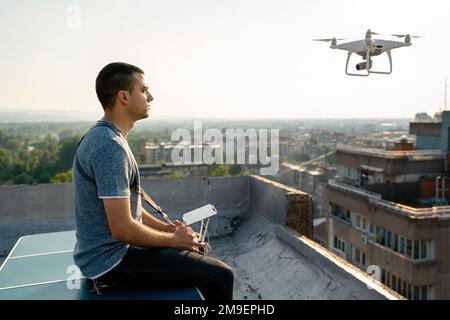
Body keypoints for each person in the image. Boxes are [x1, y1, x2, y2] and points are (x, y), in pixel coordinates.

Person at [72, 62, 234, 300]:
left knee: (202, 255)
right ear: (124, 97)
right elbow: (122, 228)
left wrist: (165, 228)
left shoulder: (107, 137)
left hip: (111, 256)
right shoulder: (109, 146)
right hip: (112, 265)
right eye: (144, 90)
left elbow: (128, 208)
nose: (151, 96)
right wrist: (173, 240)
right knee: (222, 276)